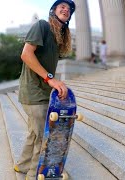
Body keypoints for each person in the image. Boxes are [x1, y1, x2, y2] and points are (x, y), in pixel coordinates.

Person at [14, 0, 75, 179]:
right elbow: (26, 54)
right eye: (62, 6)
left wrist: (54, 84)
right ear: (53, 10)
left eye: (69, 9)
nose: (66, 8)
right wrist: (50, 79)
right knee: (43, 136)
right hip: (33, 91)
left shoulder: (59, 37)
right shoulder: (42, 25)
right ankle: (34, 174)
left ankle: (22, 166)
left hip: (42, 92)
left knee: (35, 132)